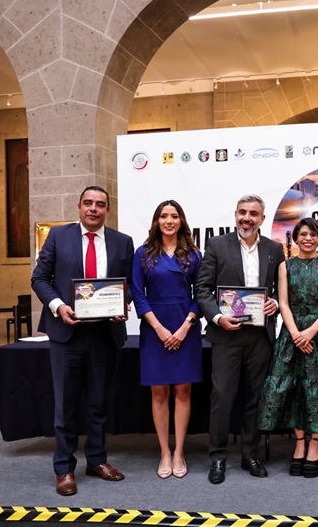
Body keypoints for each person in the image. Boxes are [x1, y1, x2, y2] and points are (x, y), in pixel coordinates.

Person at [31, 186, 134, 496]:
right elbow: (39, 278)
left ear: (107, 210)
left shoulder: (122, 242)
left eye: (100, 204)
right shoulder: (58, 237)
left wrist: (123, 304)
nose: (93, 209)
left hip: (105, 334)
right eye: (88, 203)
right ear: (79, 207)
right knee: (65, 405)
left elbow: (129, 284)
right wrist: (58, 306)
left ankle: (97, 460)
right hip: (67, 334)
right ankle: (64, 468)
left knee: (98, 402)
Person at [195, 194, 285, 483]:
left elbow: (280, 289)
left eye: (253, 214)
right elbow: (202, 289)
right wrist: (217, 317)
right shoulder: (217, 245)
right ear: (235, 215)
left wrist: (276, 304)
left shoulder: (274, 249)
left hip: (260, 335)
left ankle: (250, 454)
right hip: (226, 334)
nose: (247, 218)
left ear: (262, 218)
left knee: (255, 398)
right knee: (222, 396)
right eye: (242, 212)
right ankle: (218, 457)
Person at [257, 218, 318, 478]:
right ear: (296, 238)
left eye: (313, 234)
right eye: (303, 234)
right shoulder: (285, 266)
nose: (308, 238)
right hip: (292, 332)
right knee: (294, 387)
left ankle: (316, 442)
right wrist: (296, 333)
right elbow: (283, 303)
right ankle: (299, 442)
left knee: (317, 388)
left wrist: (310, 332)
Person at [130, 200, 202, 480]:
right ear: (156, 221)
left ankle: (179, 451)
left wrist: (185, 327)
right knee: (159, 393)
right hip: (154, 329)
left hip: (186, 327)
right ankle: (164, 452)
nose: (169, 221)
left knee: (183, 392)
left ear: (181, 220)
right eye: (163, 216)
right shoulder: (143, 253)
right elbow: (138, 294)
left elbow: (201, 294)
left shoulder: (194, 254)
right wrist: (159, 329)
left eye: (174, 216)